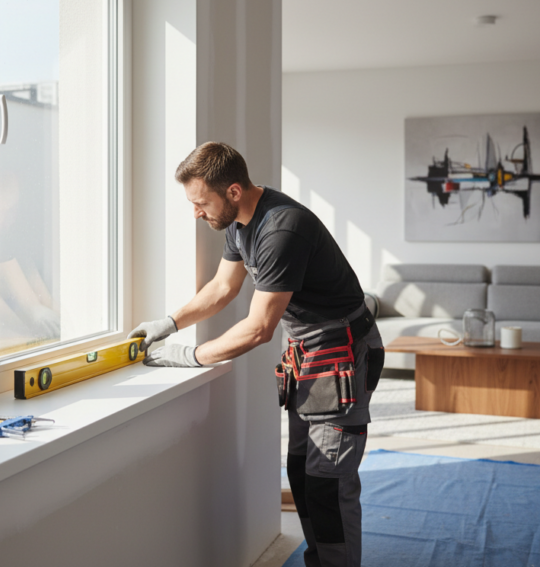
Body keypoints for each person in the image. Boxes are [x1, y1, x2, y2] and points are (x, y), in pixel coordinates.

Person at [129, 142, 384, 567]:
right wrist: (168, 323)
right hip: (309, 351)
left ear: (232, 191)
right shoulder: (238, 223)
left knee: (328, 482)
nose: (195, 212)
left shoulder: (282, 229)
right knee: (302, 472)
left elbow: (259, 328)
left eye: (199, 202)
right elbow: (222, 289)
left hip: (343, 353)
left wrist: (189, 356)